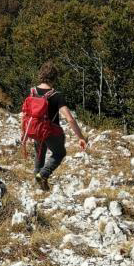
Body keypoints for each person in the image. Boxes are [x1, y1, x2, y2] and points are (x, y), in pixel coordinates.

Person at [31, 60, 87, 190]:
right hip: (50, 131)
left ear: (41, 75)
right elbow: (70, 118)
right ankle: (43, 175)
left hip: (36, 129)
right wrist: (80, 137)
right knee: (60, 153)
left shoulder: (33, 91)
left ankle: (38, 181)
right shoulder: (56, 95)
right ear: (54, 77)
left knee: (40, 153)